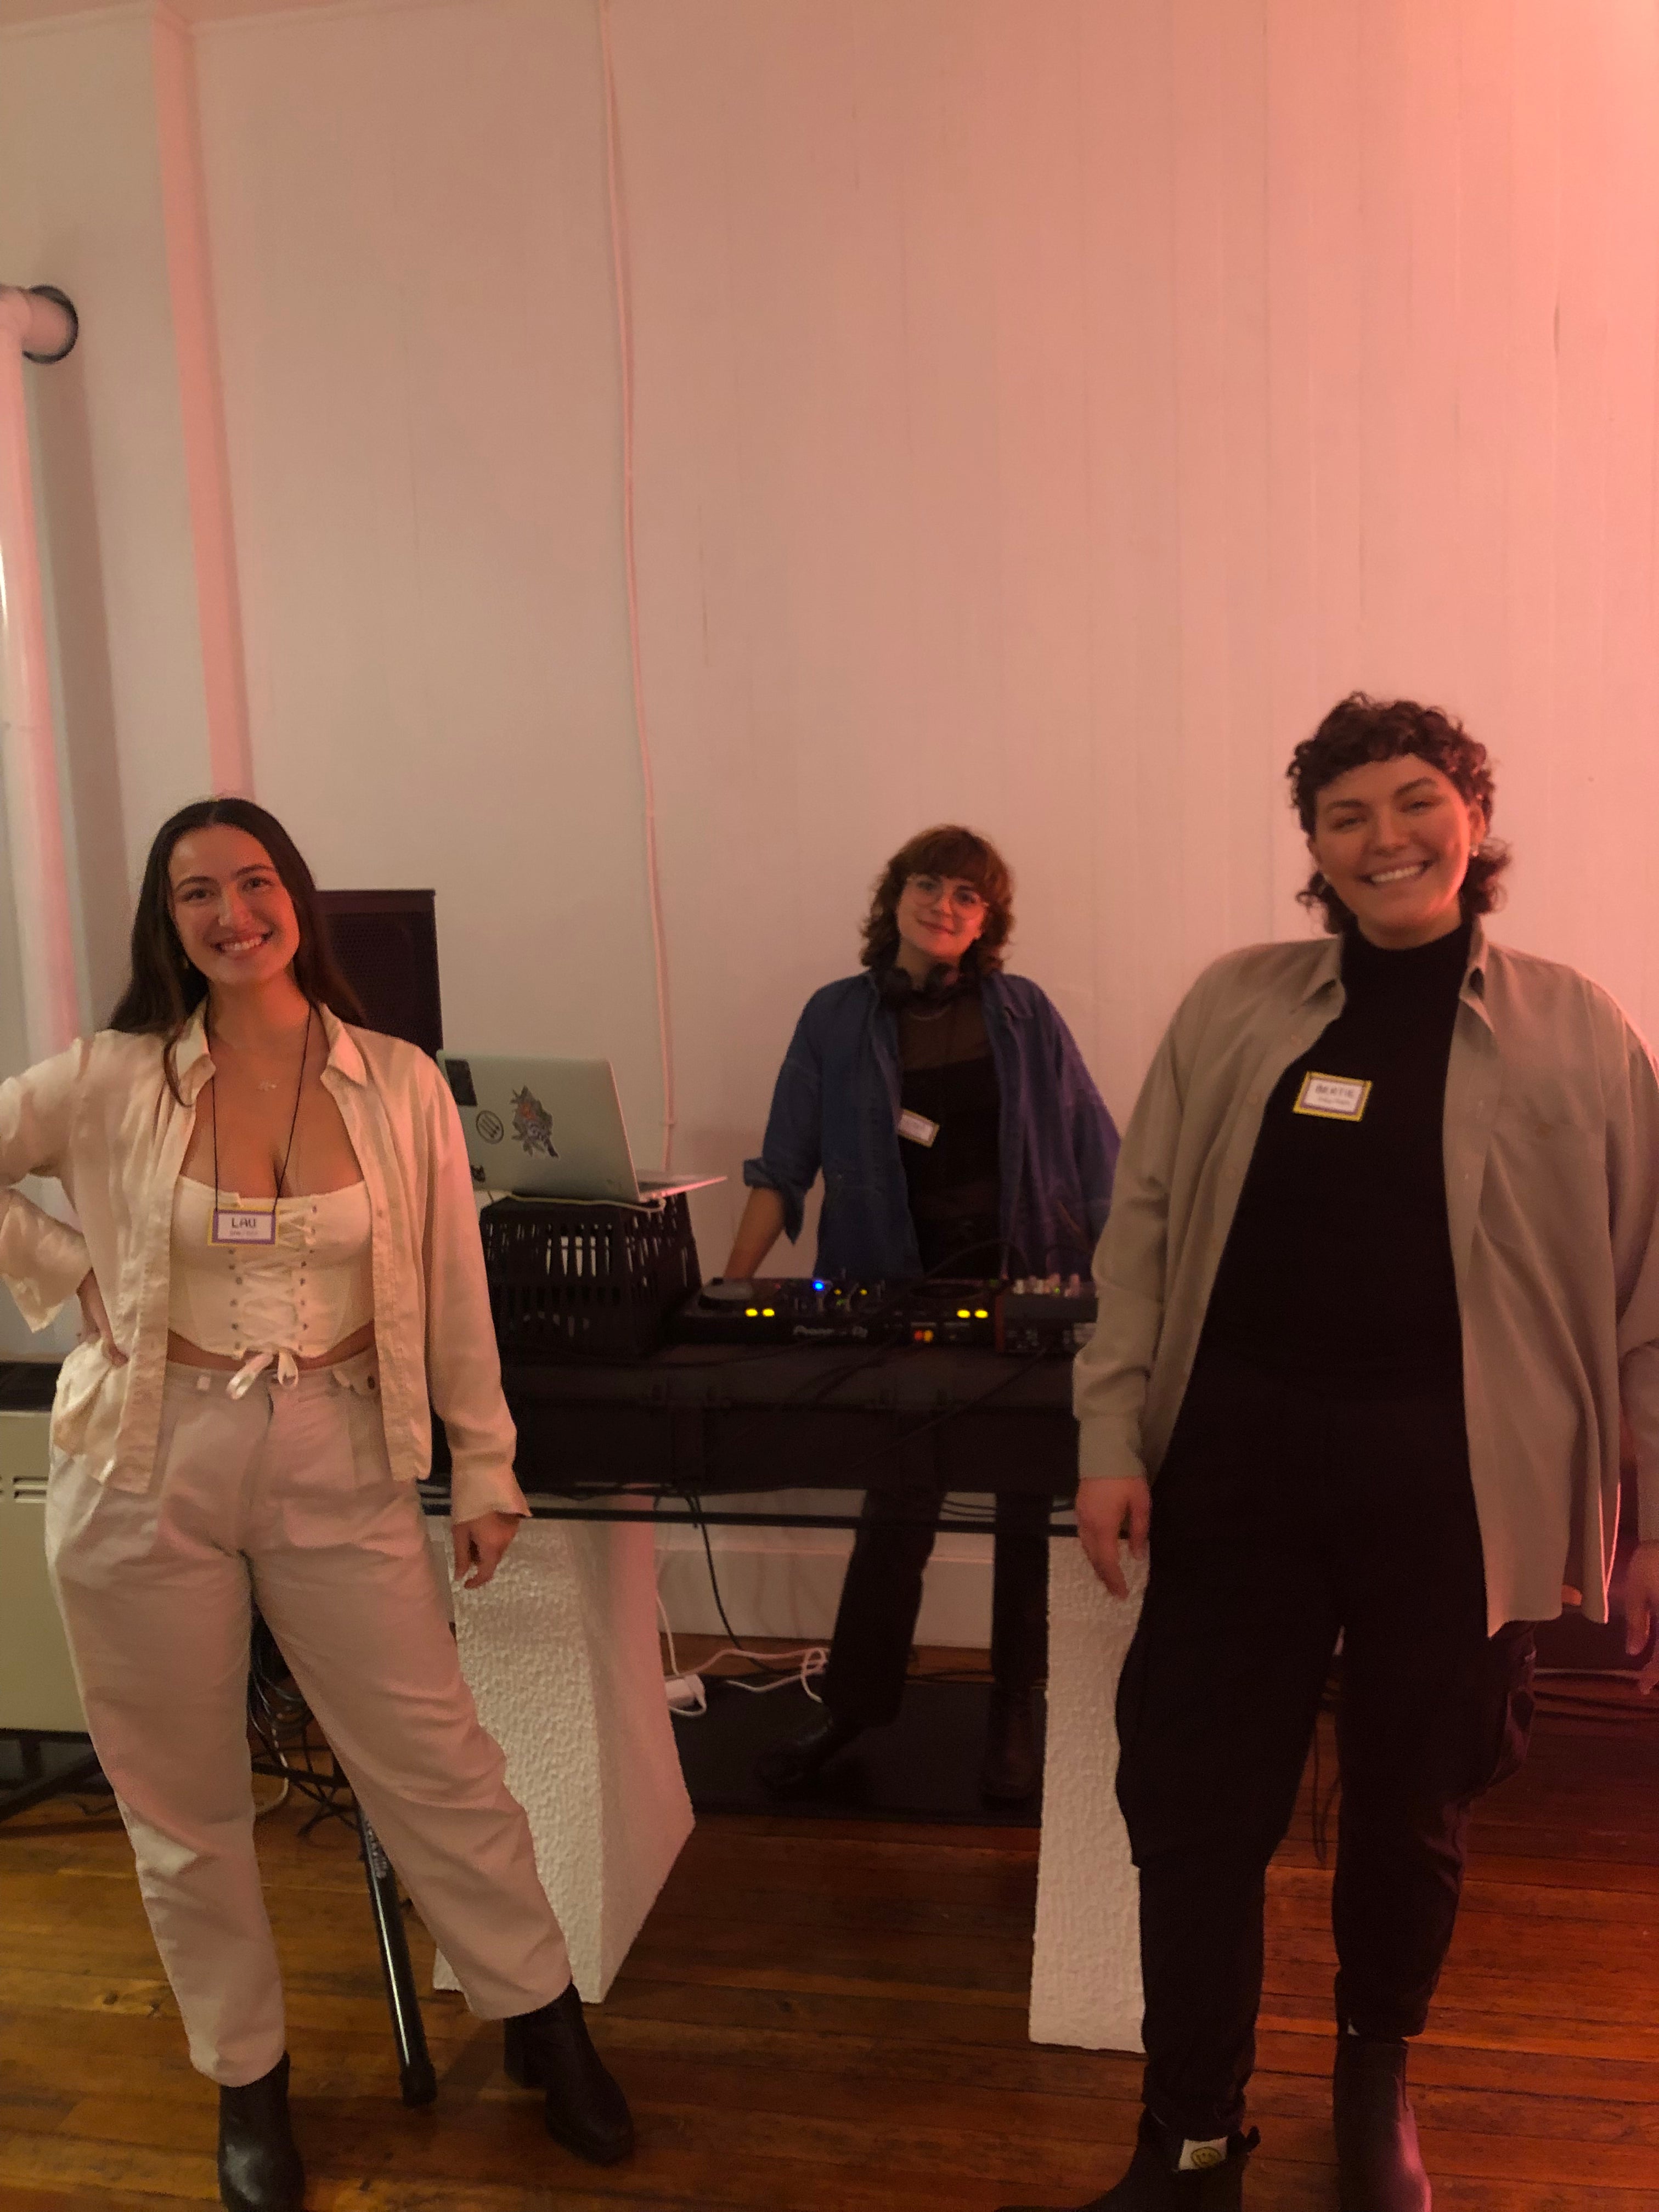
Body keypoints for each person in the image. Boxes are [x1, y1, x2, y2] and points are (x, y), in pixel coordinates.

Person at [998, 696, 1659, 2212]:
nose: (1386, 839)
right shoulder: (1239, 1005)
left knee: (1415, 1793)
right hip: (1244, 1459)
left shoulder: (1582, 1029)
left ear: (1473, 820)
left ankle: (1377, 2084)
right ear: (1313, 849)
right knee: (1195, 1795)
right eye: (1346, 815)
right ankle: (1191, 2131)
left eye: (1415, 802)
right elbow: (1145, 1231)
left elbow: (1647, 1294)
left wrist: (1651, 1520)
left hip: (1457, 1480)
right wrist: (1110, 1432)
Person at [0, 798, 633, 2212]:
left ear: (298, 899)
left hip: (335, 1449)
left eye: (255, 882)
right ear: (165, 925)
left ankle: (544, 2018)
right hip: (140, 1461)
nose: (233, 914)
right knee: (182, 1800)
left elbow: (452, 1287)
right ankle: (248, 2082)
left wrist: (485, 1460)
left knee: (436, 1757)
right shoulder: (109, 1078)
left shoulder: (396, 1080)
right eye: (197, 894)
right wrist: (68, 1266)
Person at [727, 825, 1120, 1802]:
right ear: (895, 895)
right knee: (895, 1510)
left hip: (1024, 1293)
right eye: (930, 885)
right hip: (890, 1299)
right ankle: (855, 1709)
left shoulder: (1025, 1014)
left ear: (988, 920)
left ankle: (1012, 1717)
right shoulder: (834, 1017)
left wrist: (1129, 1297)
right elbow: (784, 1166)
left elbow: (1097, 1158)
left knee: (1027, 1514)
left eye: (968, 897)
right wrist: (729, 1290)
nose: (946, 906)